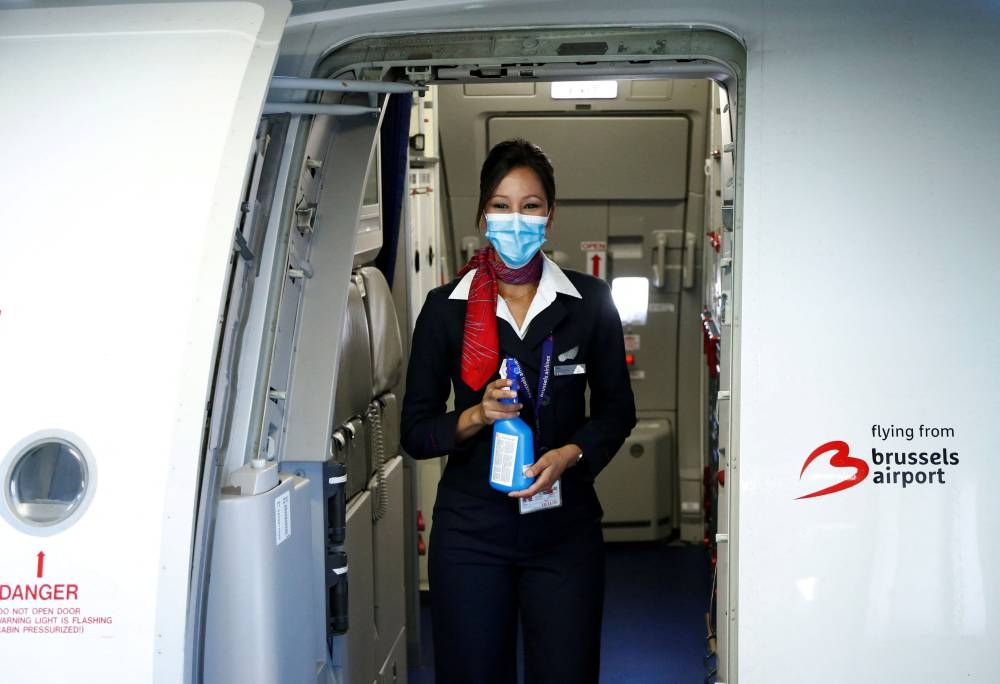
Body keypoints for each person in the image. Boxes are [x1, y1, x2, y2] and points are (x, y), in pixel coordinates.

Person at [401, 138, 636, 684]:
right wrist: (476, 416)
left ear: (549, 215)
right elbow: (415, 432)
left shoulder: (589, 302)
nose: (516, 219)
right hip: (471, 532)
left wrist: (573, 453)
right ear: (483, 214)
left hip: (565, 528)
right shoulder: (446, 310)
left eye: (530, 206)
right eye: (502, 206)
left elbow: (617, 411)